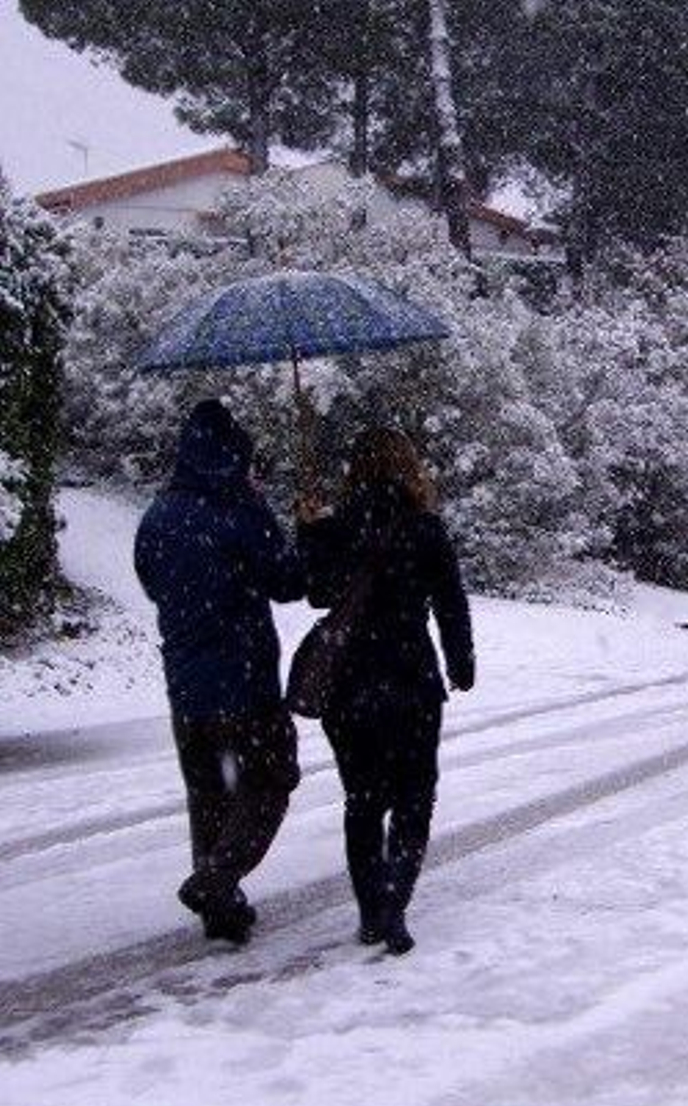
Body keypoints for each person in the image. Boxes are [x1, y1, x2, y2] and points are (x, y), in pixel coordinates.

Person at [297, 427, 474, 955]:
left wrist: (309, 531)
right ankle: (395, 902)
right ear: (409, 468)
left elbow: (318, 595)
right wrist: (460, 663)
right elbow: (450, 602)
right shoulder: (426, 529)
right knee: (415, 795)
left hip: (350, 683)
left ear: (355, 470)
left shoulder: (336, 527)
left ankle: (371, 908)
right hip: (410, 677)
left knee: (363, 801)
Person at [134, 400, 304, 945]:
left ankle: (221, 909)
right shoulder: (241, 511)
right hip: (246, 676)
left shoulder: (158, 516)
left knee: (207, 792)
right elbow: (287, 583)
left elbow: (152, 583)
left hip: (186, 682)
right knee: (271, 778)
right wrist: (303, 531)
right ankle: (216, 878)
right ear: (235, 455)